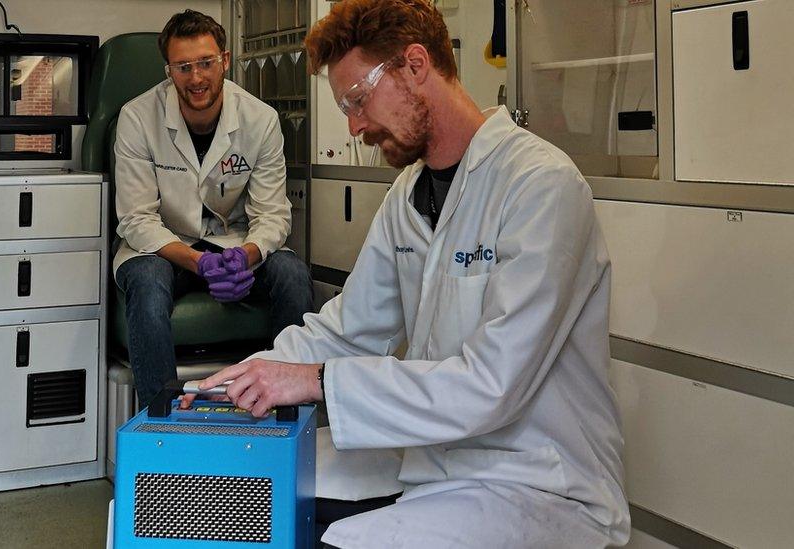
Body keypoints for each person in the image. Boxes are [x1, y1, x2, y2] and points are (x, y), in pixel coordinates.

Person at [182, 0, 630, 546]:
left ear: (415, 66)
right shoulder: (408, 194)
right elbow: (350, 328)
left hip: (536, 479)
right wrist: (243, 378)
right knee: (242, 492)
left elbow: (491, 386)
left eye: (357, 99)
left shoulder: (541, 187)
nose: (353, 125)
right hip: (434, 459)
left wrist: (316, 381)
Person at [113, 9, 313, 406]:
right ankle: (162, 421)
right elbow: (136, 219)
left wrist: (247, 254)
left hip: (234, 243)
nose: (197, 77)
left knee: (292, 273)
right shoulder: (137, 117)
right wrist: (196, 262)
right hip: (167, 247)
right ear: (168, 70)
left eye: (206, 62)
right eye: (183, 67)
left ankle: (289, 412)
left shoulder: (261, 119)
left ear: (225, 59)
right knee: (146, 283)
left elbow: (272, 214)